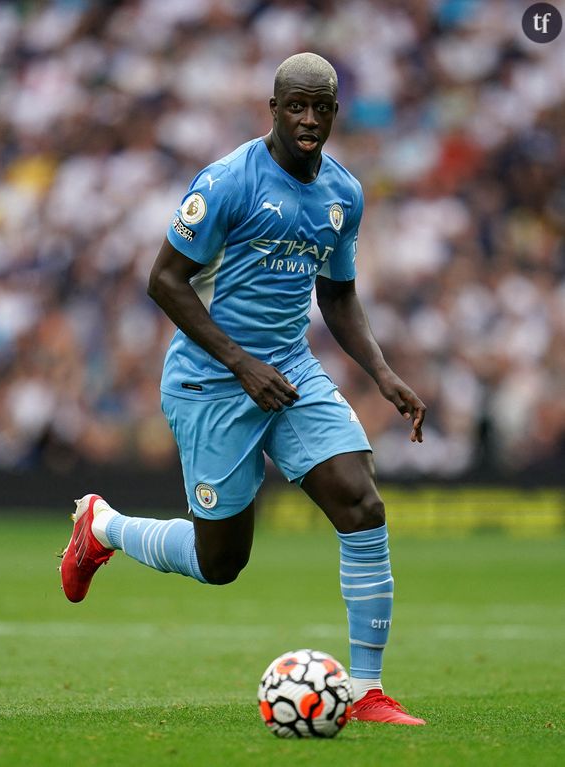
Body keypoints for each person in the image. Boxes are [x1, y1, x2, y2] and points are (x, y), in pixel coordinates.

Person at [60, 52, 426, 726]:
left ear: (336, 112)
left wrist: (383, 372)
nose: (308, 119)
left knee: (362, 502)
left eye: (320, 107)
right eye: (296, 105)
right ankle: (101, 525)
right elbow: (163, 280)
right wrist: (239, 363)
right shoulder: (228, 181)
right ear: (274, 108)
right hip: (210, 381)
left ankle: (369, 689)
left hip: (288, 369)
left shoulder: (343, 193)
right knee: (219, 560)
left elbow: (338, 296)